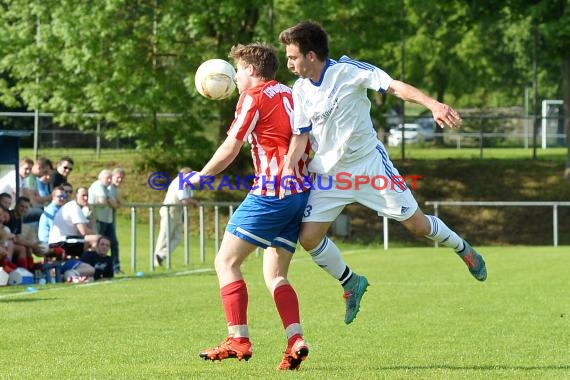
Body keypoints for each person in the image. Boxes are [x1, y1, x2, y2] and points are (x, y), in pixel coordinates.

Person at [278, 21, 487, 324]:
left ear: (311, 55)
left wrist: (432, 104)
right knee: (308, 239)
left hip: (368, 166)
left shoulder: (348, 71)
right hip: (329, 174)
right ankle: (351, 282)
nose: (289, 63)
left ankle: (462, 248)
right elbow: (300, 136)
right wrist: (287, 170)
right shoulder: (299, 90)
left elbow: (394, 86)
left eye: (292, 56)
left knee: (417, 226)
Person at [194, 43, 312, 370]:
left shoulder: (253, 97)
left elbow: (232, 145)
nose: (234, 77)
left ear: (250, 70)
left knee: (226, 261)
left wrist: (201, 176)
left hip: (271, 193)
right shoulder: (291, 94)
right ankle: (295, 341)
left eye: (237, 70)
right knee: (276, 274)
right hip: (300, 193)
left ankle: (238, 339)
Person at [153, 167, 197, 267]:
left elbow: (187, 199)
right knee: (164, 237)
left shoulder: (186, 184)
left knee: (177, 238)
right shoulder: (179, 182)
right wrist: (195, 202)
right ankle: (155, 260)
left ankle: (160, 256)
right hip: (169, 212)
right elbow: (184, 200)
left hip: (177, 213)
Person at [48, 186, 100, 251]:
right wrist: (99, 235)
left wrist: (92, 214)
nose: (86, 198)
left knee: (95, 239)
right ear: (76, 196)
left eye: (87, 196)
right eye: (83, 195)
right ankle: (92, 260)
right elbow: (84, 231)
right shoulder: (74, 207)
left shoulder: (75, 207)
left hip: (63, 240)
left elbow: (87, 228)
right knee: (96, 239)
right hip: (61, 242)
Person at [107, 167, 125, 273]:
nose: (120, 180)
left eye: (122, 178)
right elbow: (112, 202)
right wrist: (115, 203)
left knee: (114, 243)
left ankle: (115, 267)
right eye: (118, 177)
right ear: (112, 177)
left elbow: (119, 203)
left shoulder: (116, 189)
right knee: (108, 243)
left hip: (110, 219)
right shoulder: (109, 188)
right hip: (103, 219)